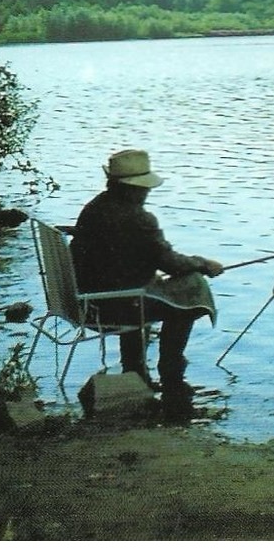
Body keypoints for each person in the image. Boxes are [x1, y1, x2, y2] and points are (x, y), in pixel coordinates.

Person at [70, 148, 223, 414]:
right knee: (193, 290)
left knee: (150, 291)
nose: (146, 192)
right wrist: (203, 264)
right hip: (115, 305)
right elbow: (171, 263)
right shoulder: (139, 219)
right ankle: (171, 369)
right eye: (143, 188)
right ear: (132, 188)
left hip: (89, 300)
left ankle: (135, 368)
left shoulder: (94, 207)